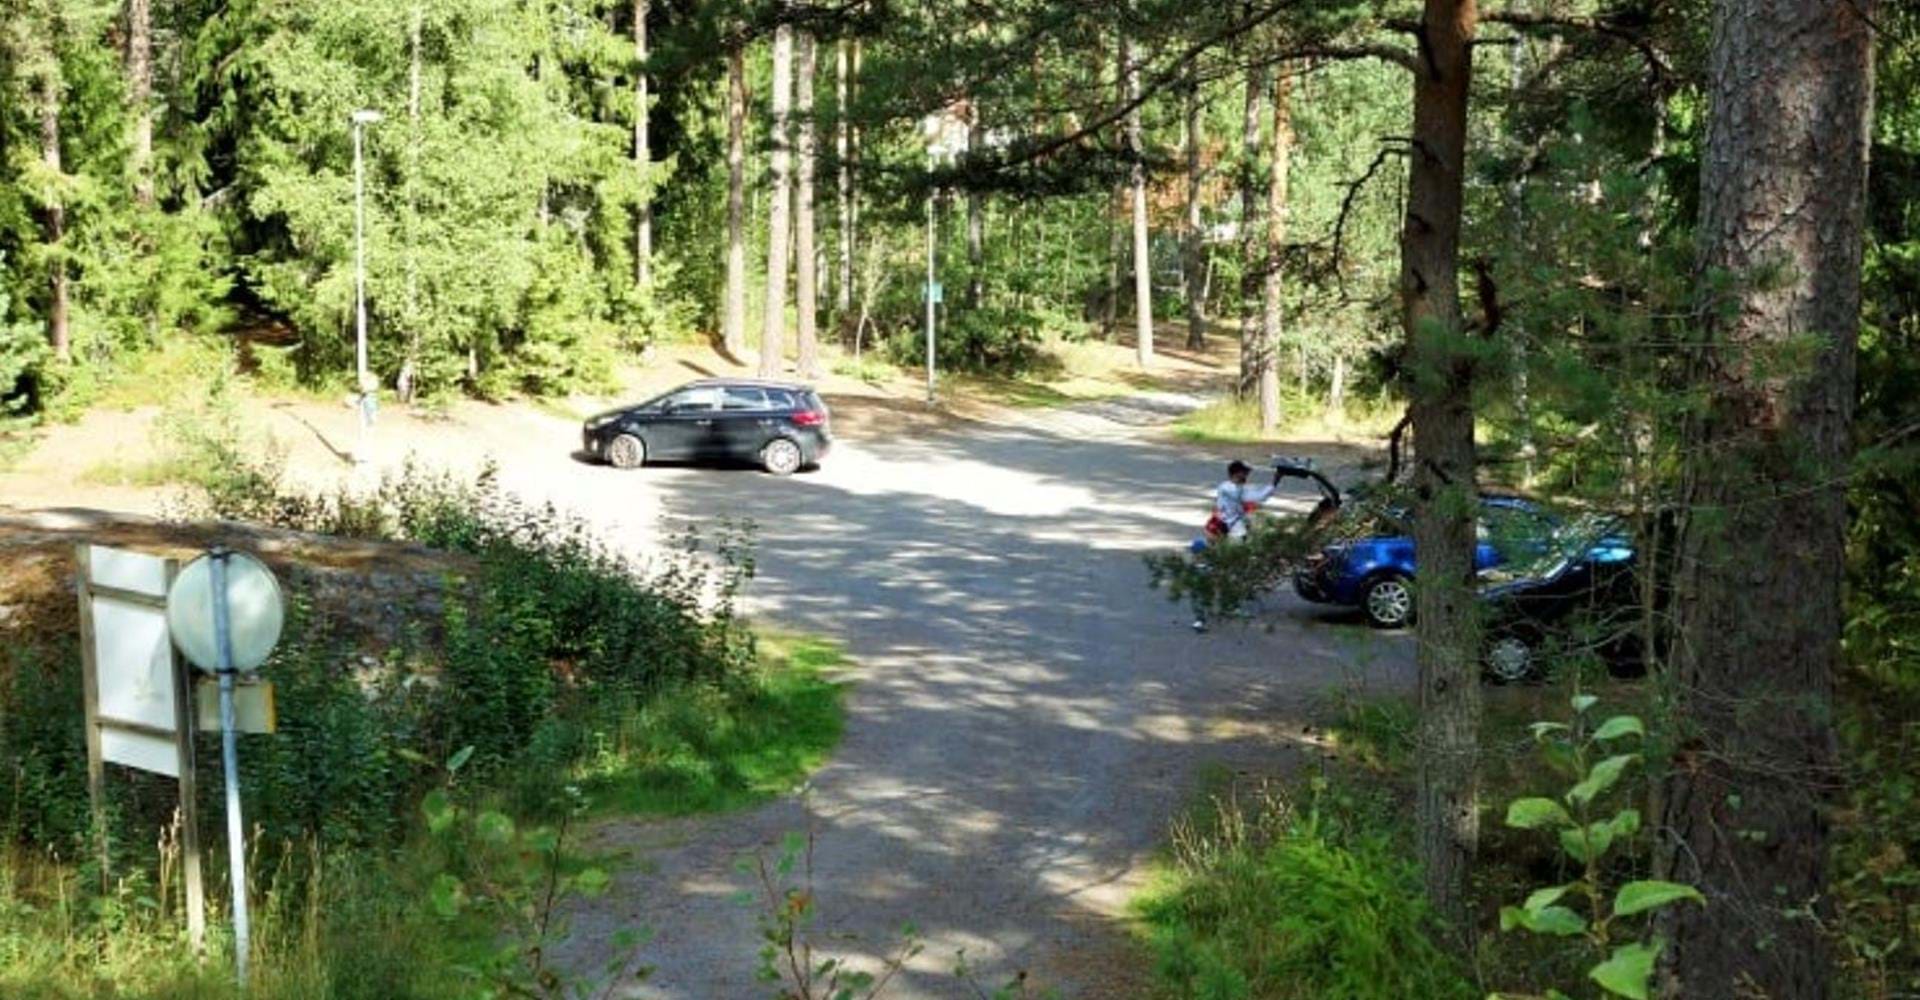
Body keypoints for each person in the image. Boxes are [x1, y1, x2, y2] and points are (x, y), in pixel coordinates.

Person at [1211, 459, 1277, 541]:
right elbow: (1243, 495)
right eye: (1244, 473)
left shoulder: (1236, 487)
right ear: (1236, 473)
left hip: (1233, 524)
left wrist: (1275, 481)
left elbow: (1258, 496)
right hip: (1228, 525)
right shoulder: (1227, 488)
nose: (1246, 475)